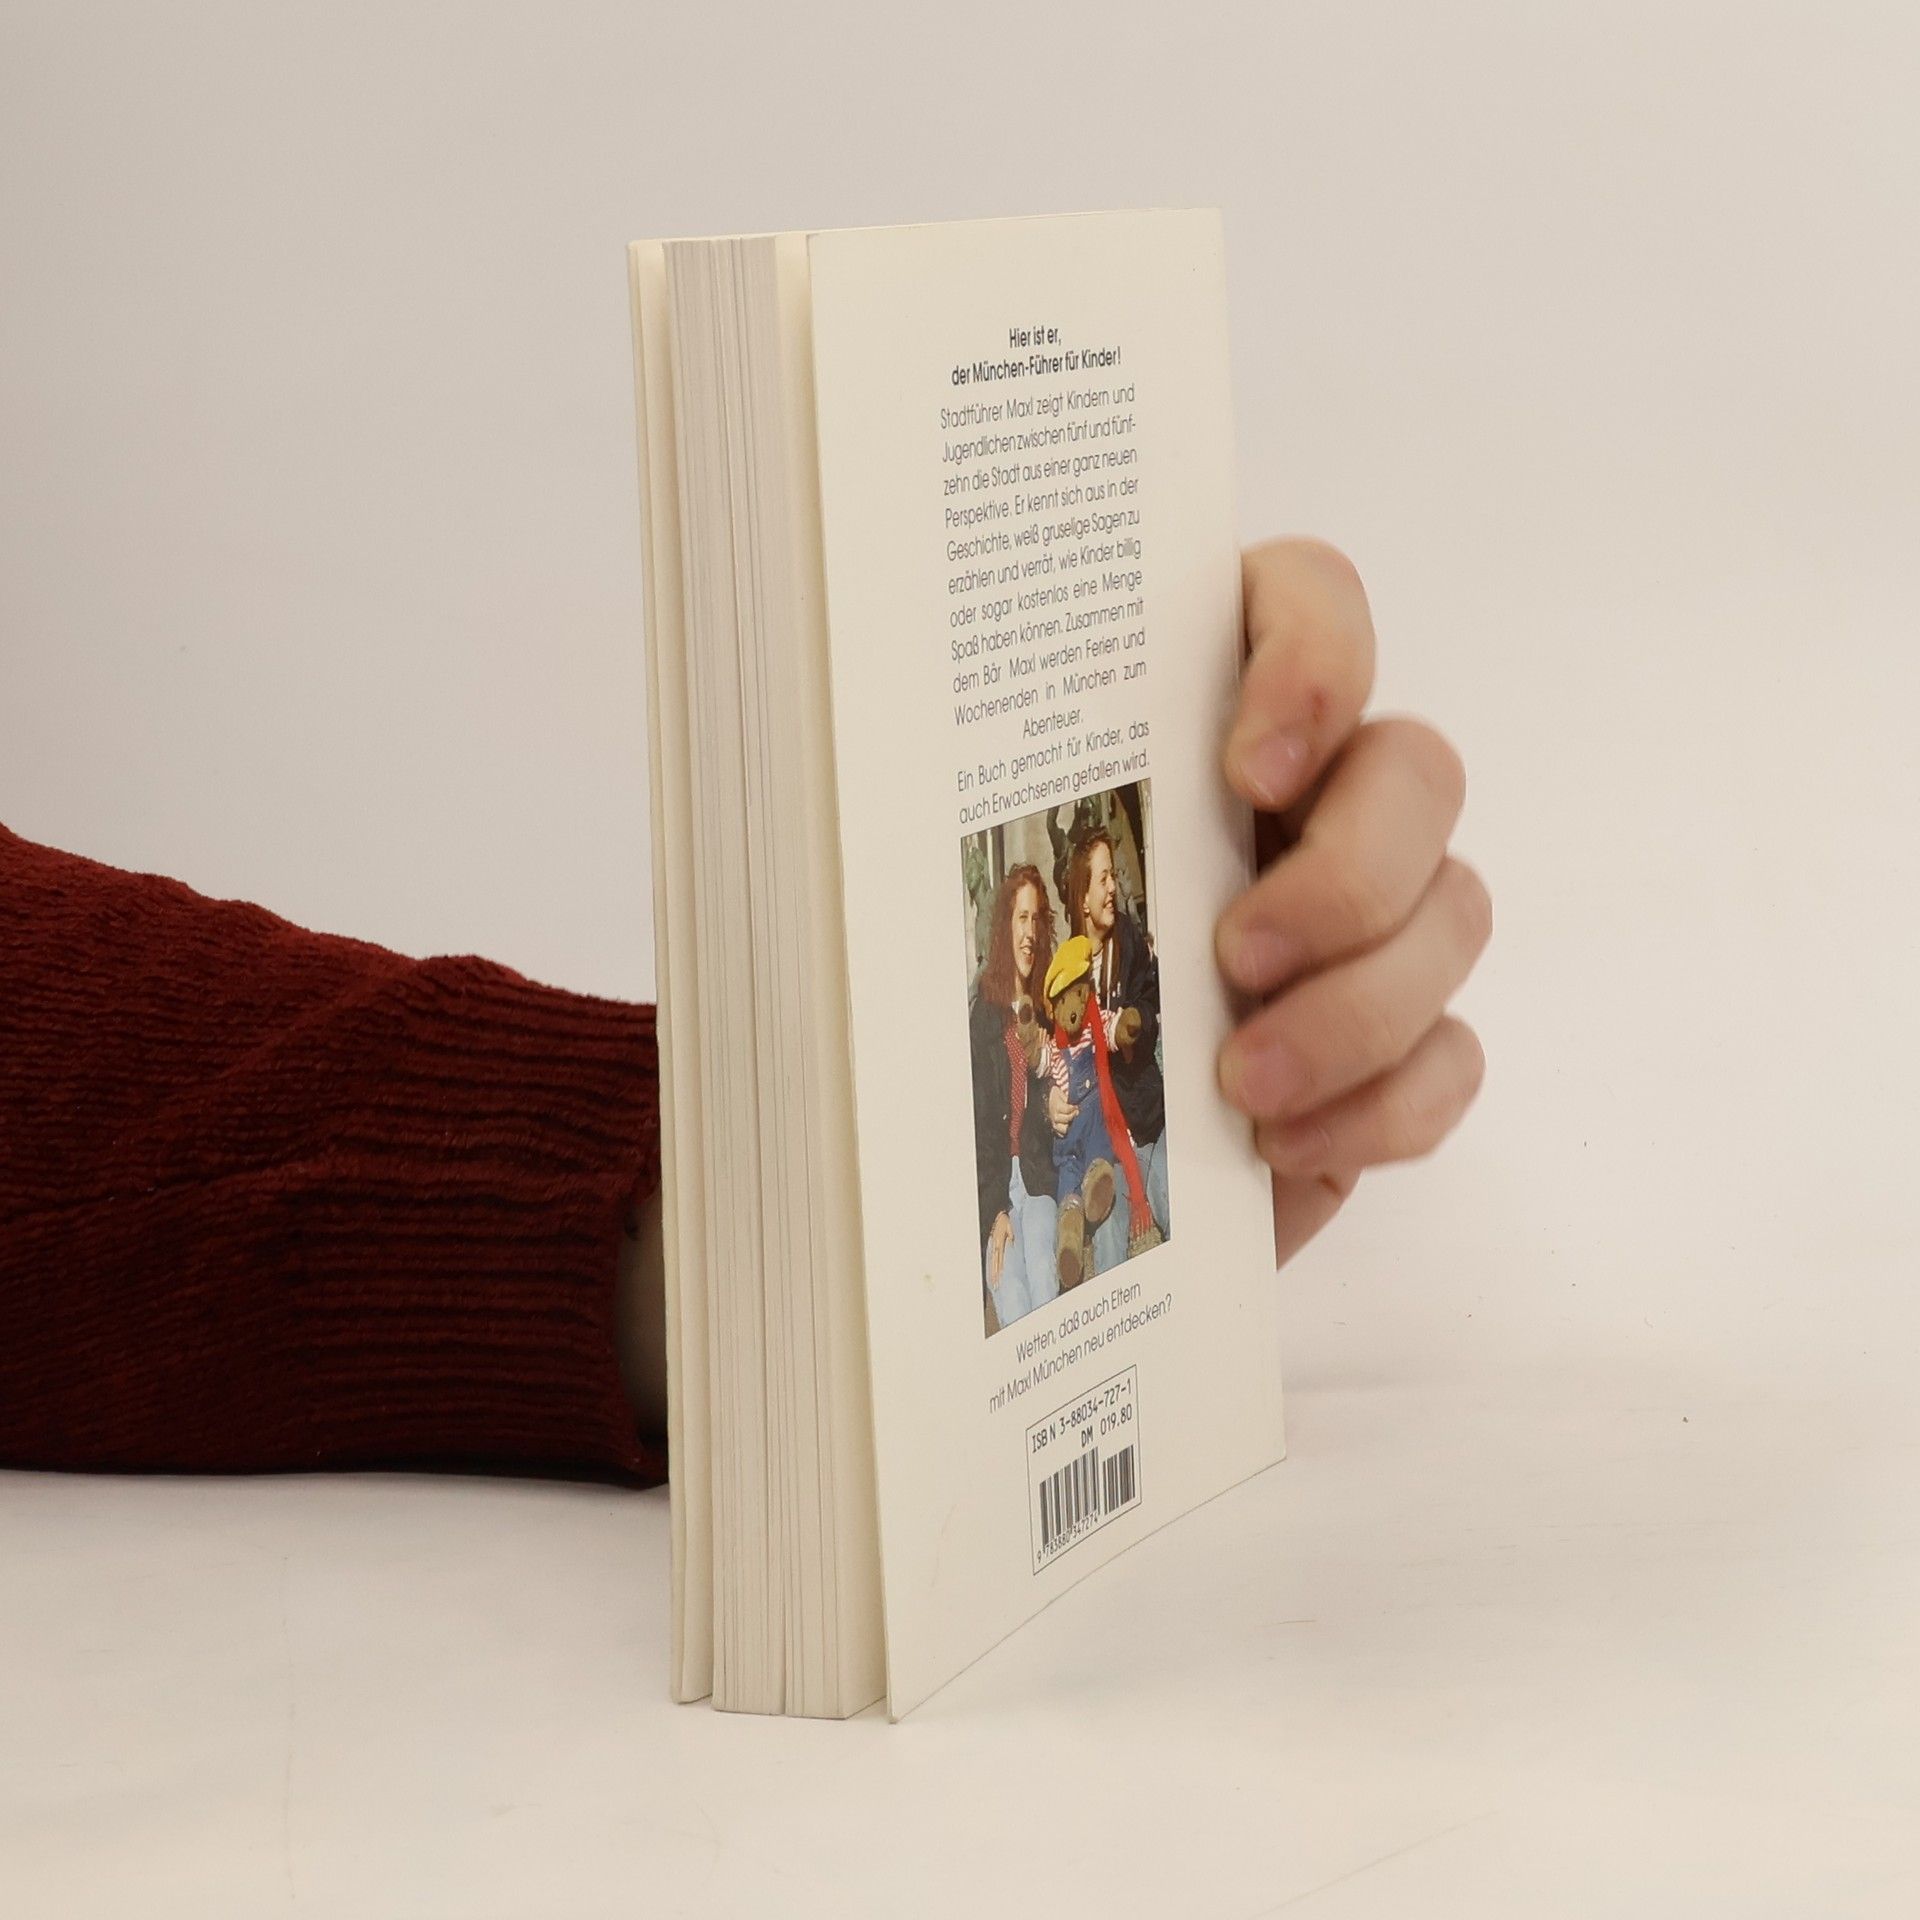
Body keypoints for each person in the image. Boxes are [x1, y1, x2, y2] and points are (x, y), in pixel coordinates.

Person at [0, 538, 1490, 1478]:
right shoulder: (1012, 996)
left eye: (1079, 896)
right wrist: (780, 1212)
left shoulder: (1099, 975)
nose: (1063, 913)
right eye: (1050, 902)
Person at [1066, 824, 1172, 1273]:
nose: (1113, 888)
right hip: (1105, 1143)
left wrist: (1135, 1023)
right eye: (1103, 878)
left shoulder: (1127, 940)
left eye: (1113, 876)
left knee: (1171, 1198)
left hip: (1147, 1120)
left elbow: (1150, 996)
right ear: (1082, 898)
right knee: (1110, 1246)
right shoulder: (1069, 970)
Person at [968, 863, 1065, 1330]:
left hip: (1038, 1177)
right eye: (1021, 918)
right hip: (998, 1186)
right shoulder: (984, 1016)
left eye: (1036, 920)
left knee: (1045, 1280)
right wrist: (995, 1213)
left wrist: (1051, 1105)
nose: (1029, 933)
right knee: (1012, 1293)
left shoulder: (1047, 1009)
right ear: (1005, 927)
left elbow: (1057, 1088)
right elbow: (978, 1125)